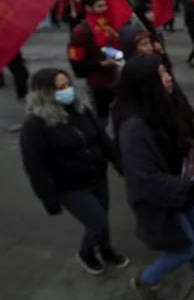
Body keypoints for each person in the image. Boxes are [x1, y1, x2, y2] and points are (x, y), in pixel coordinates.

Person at [113, 55, 194, 300]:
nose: (169, 77)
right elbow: (145, 178)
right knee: (185, 247)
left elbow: (178, 133)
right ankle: (144, 281)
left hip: (181, 184)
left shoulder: (162, 103)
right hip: (163, 196)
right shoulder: (133, 127)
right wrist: (189, 189)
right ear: (146, 84)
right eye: (161, 74)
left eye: (166, 70)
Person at [20, 68, 128, 275]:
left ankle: (105, 250)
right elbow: (35, 166)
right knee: (96, 221)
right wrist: (49, 199)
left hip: (97, 176)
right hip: (70, 186)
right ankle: (86, 252)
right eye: (60, 88)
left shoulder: (81, 110)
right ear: (44, 92)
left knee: (103, 216)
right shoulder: (35, 124)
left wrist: (118, 162)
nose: (67, 90)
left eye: (68, 84)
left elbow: (102, 139)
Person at [67, 0, 121, 126]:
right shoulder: (81, 31)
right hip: (98, 84)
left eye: (105, 5)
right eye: (100, 6)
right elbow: (76, 63)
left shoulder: (108, 24)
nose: (105, 9)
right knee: (102, 120)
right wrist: (100, 64)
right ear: (88, 8)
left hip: (116, 78)